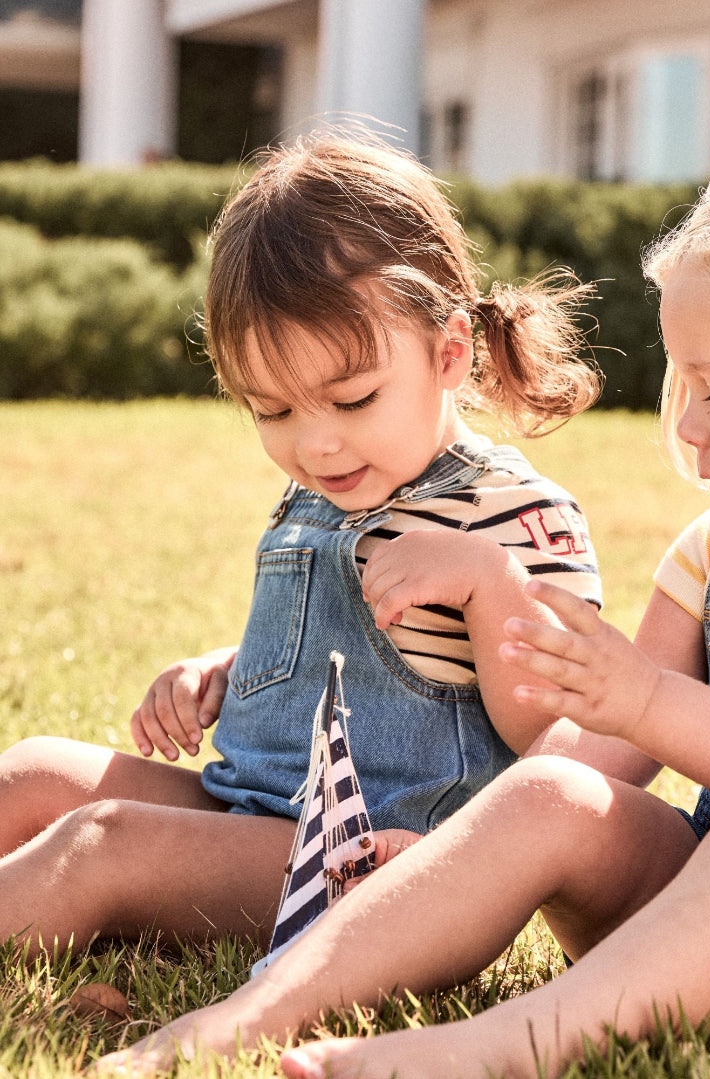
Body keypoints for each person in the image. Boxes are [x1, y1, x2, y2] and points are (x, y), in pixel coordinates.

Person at [99, 130, 710, 1079]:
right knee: (550, 791)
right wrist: (449, 851)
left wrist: (649, 699)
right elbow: (595, 754)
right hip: (707, 897)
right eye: (684, 387)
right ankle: (252, 1011)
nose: (687, 426)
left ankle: (507, 1047)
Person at [0, 133, 603, 960]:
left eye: (352, 399)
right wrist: (226, 669)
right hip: (252, 812)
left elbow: (559, 737)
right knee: (33, 770)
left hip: (376, 865)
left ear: (450, 352)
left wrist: (489, 581)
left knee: (101, 842)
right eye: (273, 411)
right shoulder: (323, 490)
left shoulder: (512, 511)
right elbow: (330, 650)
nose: (315, 444)